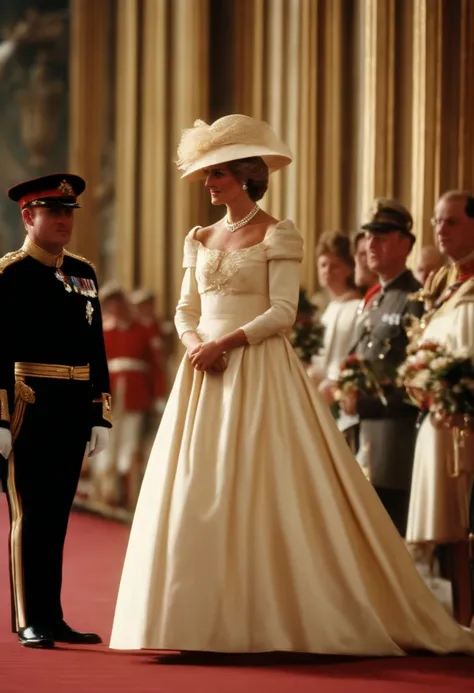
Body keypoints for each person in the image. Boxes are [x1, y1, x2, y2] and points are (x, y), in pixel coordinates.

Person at [110, 115, 474, 656]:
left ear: (244, 176)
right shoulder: (199, 237)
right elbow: (186, 307)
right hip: (201, 371)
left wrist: (224, 343)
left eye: (217, 174)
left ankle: (269, 616)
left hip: (255, 368)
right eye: (208, 174)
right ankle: (190, 618)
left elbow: (283, 312)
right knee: (194, 484)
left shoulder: (279, 231)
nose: (208, 183)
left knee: (261, 481)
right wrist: (192, 343)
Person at [0, 174, 112, 649]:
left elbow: (96, 347)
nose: (64, 220)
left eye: (68, 212)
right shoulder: (12, 273)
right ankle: (29, 617)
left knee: (59, 515)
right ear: (28, 217)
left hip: (71, 406)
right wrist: (1, 418)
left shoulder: (84, 273)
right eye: (53, 212)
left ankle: (54, 616)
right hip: (30, 402)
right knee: (30, 515)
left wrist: (98, 411)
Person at [407, 190, 474, 626]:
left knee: (468, 526)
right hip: (439, 419)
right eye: (436, 221)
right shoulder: (445, 287)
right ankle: (461, 617)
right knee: (449, 530)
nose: (440, 230)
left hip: (466, 421)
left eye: (450, 221)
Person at [339, 200, 423, 537]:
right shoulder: (375, 299)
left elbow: (418, 381)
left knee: (390, 540)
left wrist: (365, 403)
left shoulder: (416, 298)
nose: (371, 244)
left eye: (383, 235)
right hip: (366, 437)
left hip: (395, 442)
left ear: (406, 243)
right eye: (368, 236)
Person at [91, 282, 164, 509]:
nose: (115, 308)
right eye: (110, 304)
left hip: (135, 391)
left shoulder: (141, 330)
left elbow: (155, 365)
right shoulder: (102, 331)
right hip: (108, 392)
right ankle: (106, 487)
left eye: (118, 302)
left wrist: (158, 394)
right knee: (107, 438)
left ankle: (126, 489)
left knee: (130, 440)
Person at [307, 231, 361, 404]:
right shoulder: (328, 309)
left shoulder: (357, 307)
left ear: (349, 268)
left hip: (343, 394)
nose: (328, 271)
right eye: (323, 265)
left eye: (335, 265)